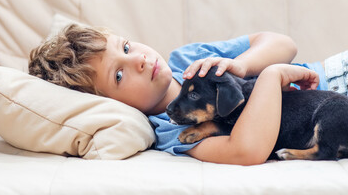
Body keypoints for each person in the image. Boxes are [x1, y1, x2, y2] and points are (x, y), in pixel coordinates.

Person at [29, 24, 344, 165]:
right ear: (110, 104)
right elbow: (247, 150)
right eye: (119, 75)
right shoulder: (172, 131)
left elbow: (283, 43)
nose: (138, 58)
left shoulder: (189, 60)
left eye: (125, 47)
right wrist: (272, 76)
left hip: (334, 74)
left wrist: (243, 65)